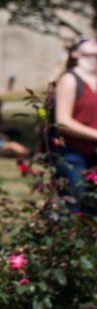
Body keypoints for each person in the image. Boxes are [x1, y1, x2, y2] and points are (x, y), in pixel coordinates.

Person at [52, 38, 97, 215]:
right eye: (88, 42)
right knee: (72, 209)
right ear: (76, 53)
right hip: (73, 155)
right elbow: (63, 122)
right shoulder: (70, 79)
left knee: (93, 212)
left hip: (94, 155)